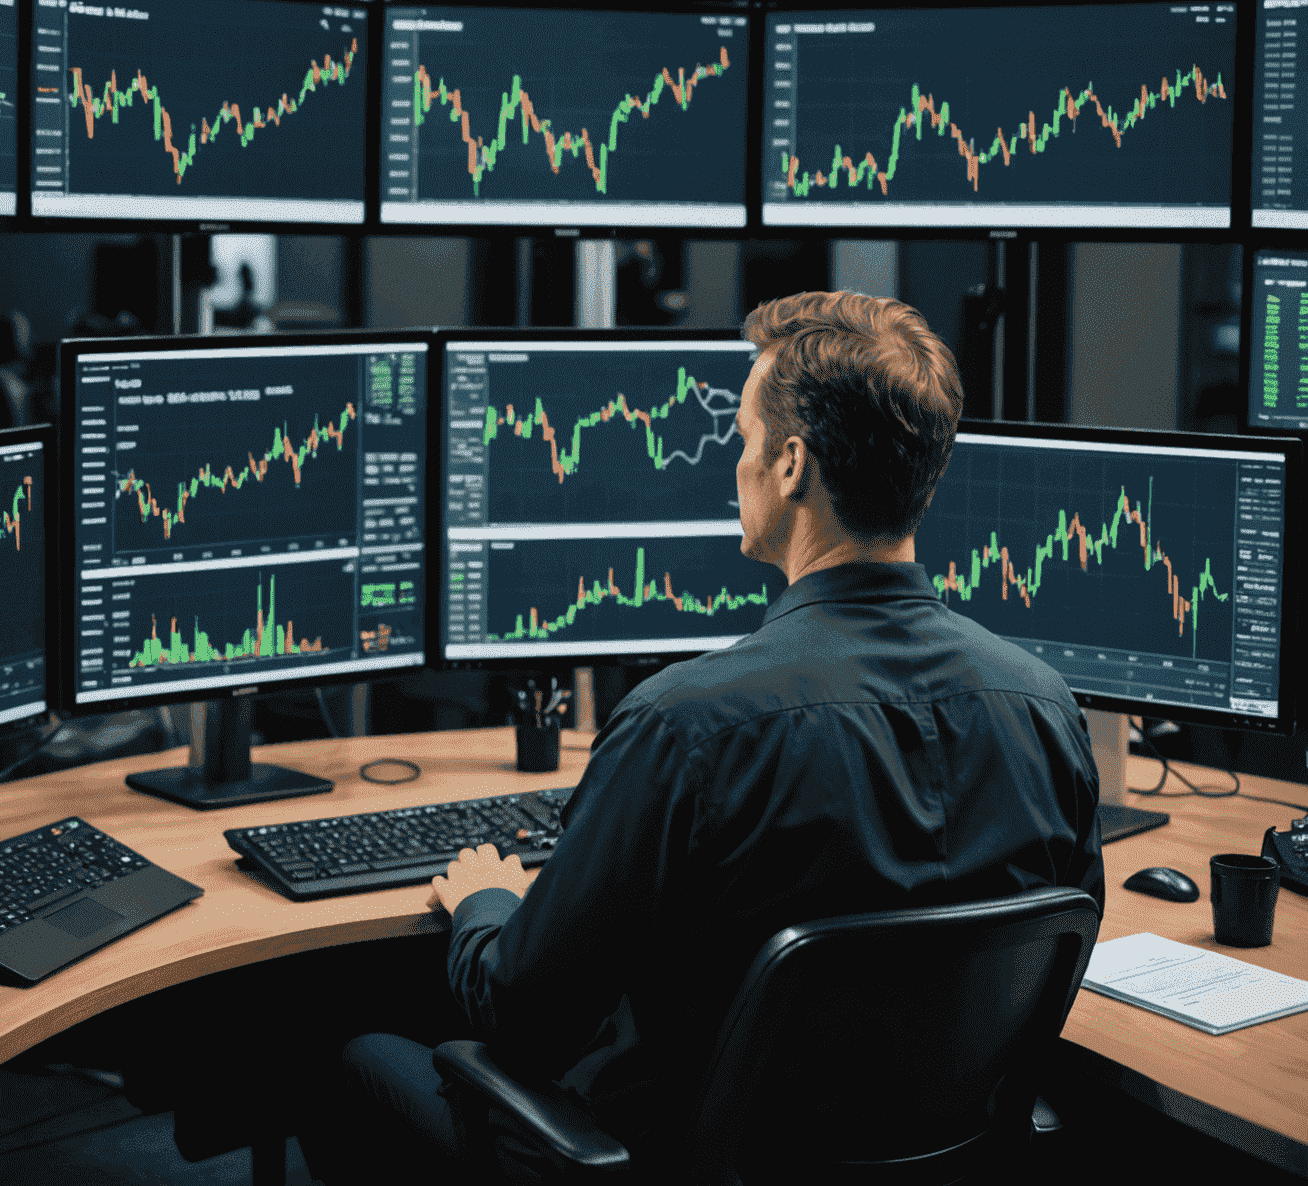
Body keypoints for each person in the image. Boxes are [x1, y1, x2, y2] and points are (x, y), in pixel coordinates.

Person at [302, 290, 1104, 1183]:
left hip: (668, 1159)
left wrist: (487, 902)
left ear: (792, 465)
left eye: (744, 440)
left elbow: (524, 1018)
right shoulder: (1044, 709)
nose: (738, 462)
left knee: (361, 1061)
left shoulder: (683, 726)